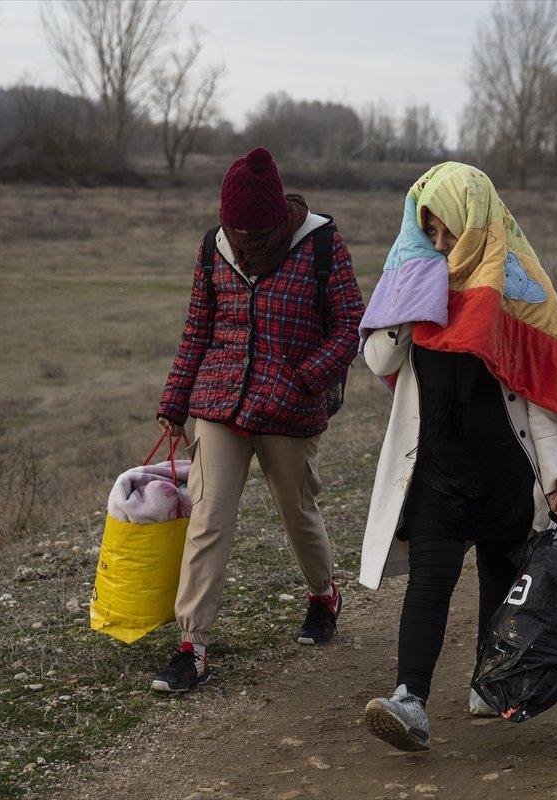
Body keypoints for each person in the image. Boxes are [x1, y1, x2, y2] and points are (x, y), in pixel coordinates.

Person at [356, 162, 557, 752]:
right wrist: (406, 302)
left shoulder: (514, 287)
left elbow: (541, 397)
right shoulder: (414, 279)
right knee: (429, 584)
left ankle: (490, 682)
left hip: (505, 477)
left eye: (449, 232)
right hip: (438, 474)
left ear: (475, 223)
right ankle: (409, 699)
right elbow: (378, 363)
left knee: (503, 582)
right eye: (431, 234)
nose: (441, 246)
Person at [152, 146, 364, 692]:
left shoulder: (320, 242)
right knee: (208, 519)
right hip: (220, 403)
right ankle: (192, 646)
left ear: (275, 217)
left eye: (253, 231)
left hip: (290, 407)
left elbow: (351, 325)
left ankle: (323, 594)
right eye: (234, 230)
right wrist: (175, 403)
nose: (242, 241)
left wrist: (305, 378)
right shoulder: (213, 247)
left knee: (298, 512)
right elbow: (198, 328)